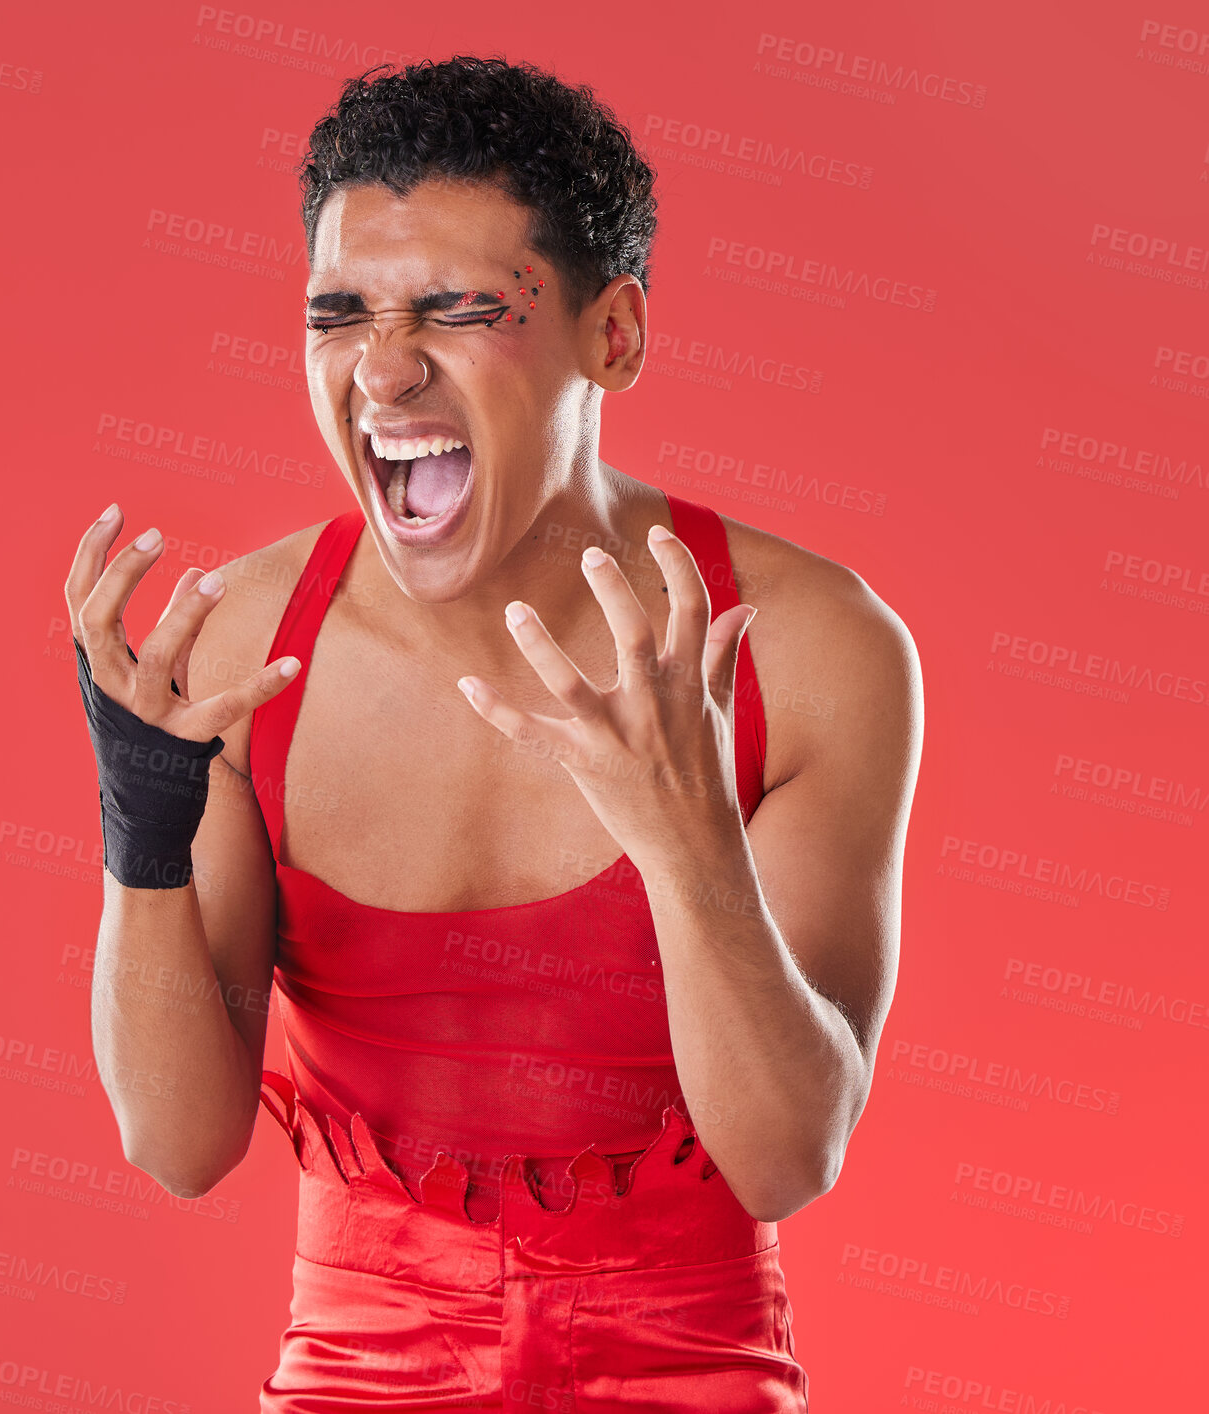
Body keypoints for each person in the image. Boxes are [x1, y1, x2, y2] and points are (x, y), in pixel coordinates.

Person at [64, 55, 923, 1413]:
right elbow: (177, 1146)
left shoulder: (809, 650)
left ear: (613, 337)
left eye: (459, 309)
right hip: (353, 1372)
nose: (385, 366)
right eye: (339, 312)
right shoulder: (239, 655)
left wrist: (685, 841)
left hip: (692, 1374)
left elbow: (785, 1158)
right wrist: (140, 826)